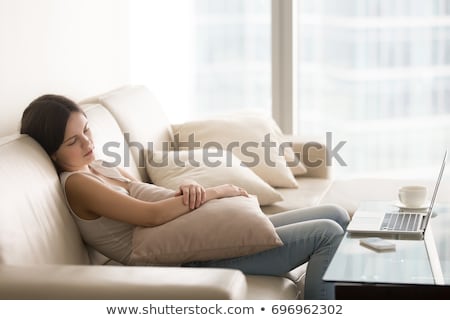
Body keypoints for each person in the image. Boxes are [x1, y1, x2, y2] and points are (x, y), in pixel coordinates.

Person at [20, 94, 350, 300]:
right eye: (72, 142)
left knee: (335, 212)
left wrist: (187, 190)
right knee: (328, 234)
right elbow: (148, 216)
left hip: (194, 231)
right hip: (188, 256)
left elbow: (152, 198)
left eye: (86, 130)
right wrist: (214, 192)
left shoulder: (100, 166)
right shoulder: (78, 183)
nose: (87, 143)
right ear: (52, 153)